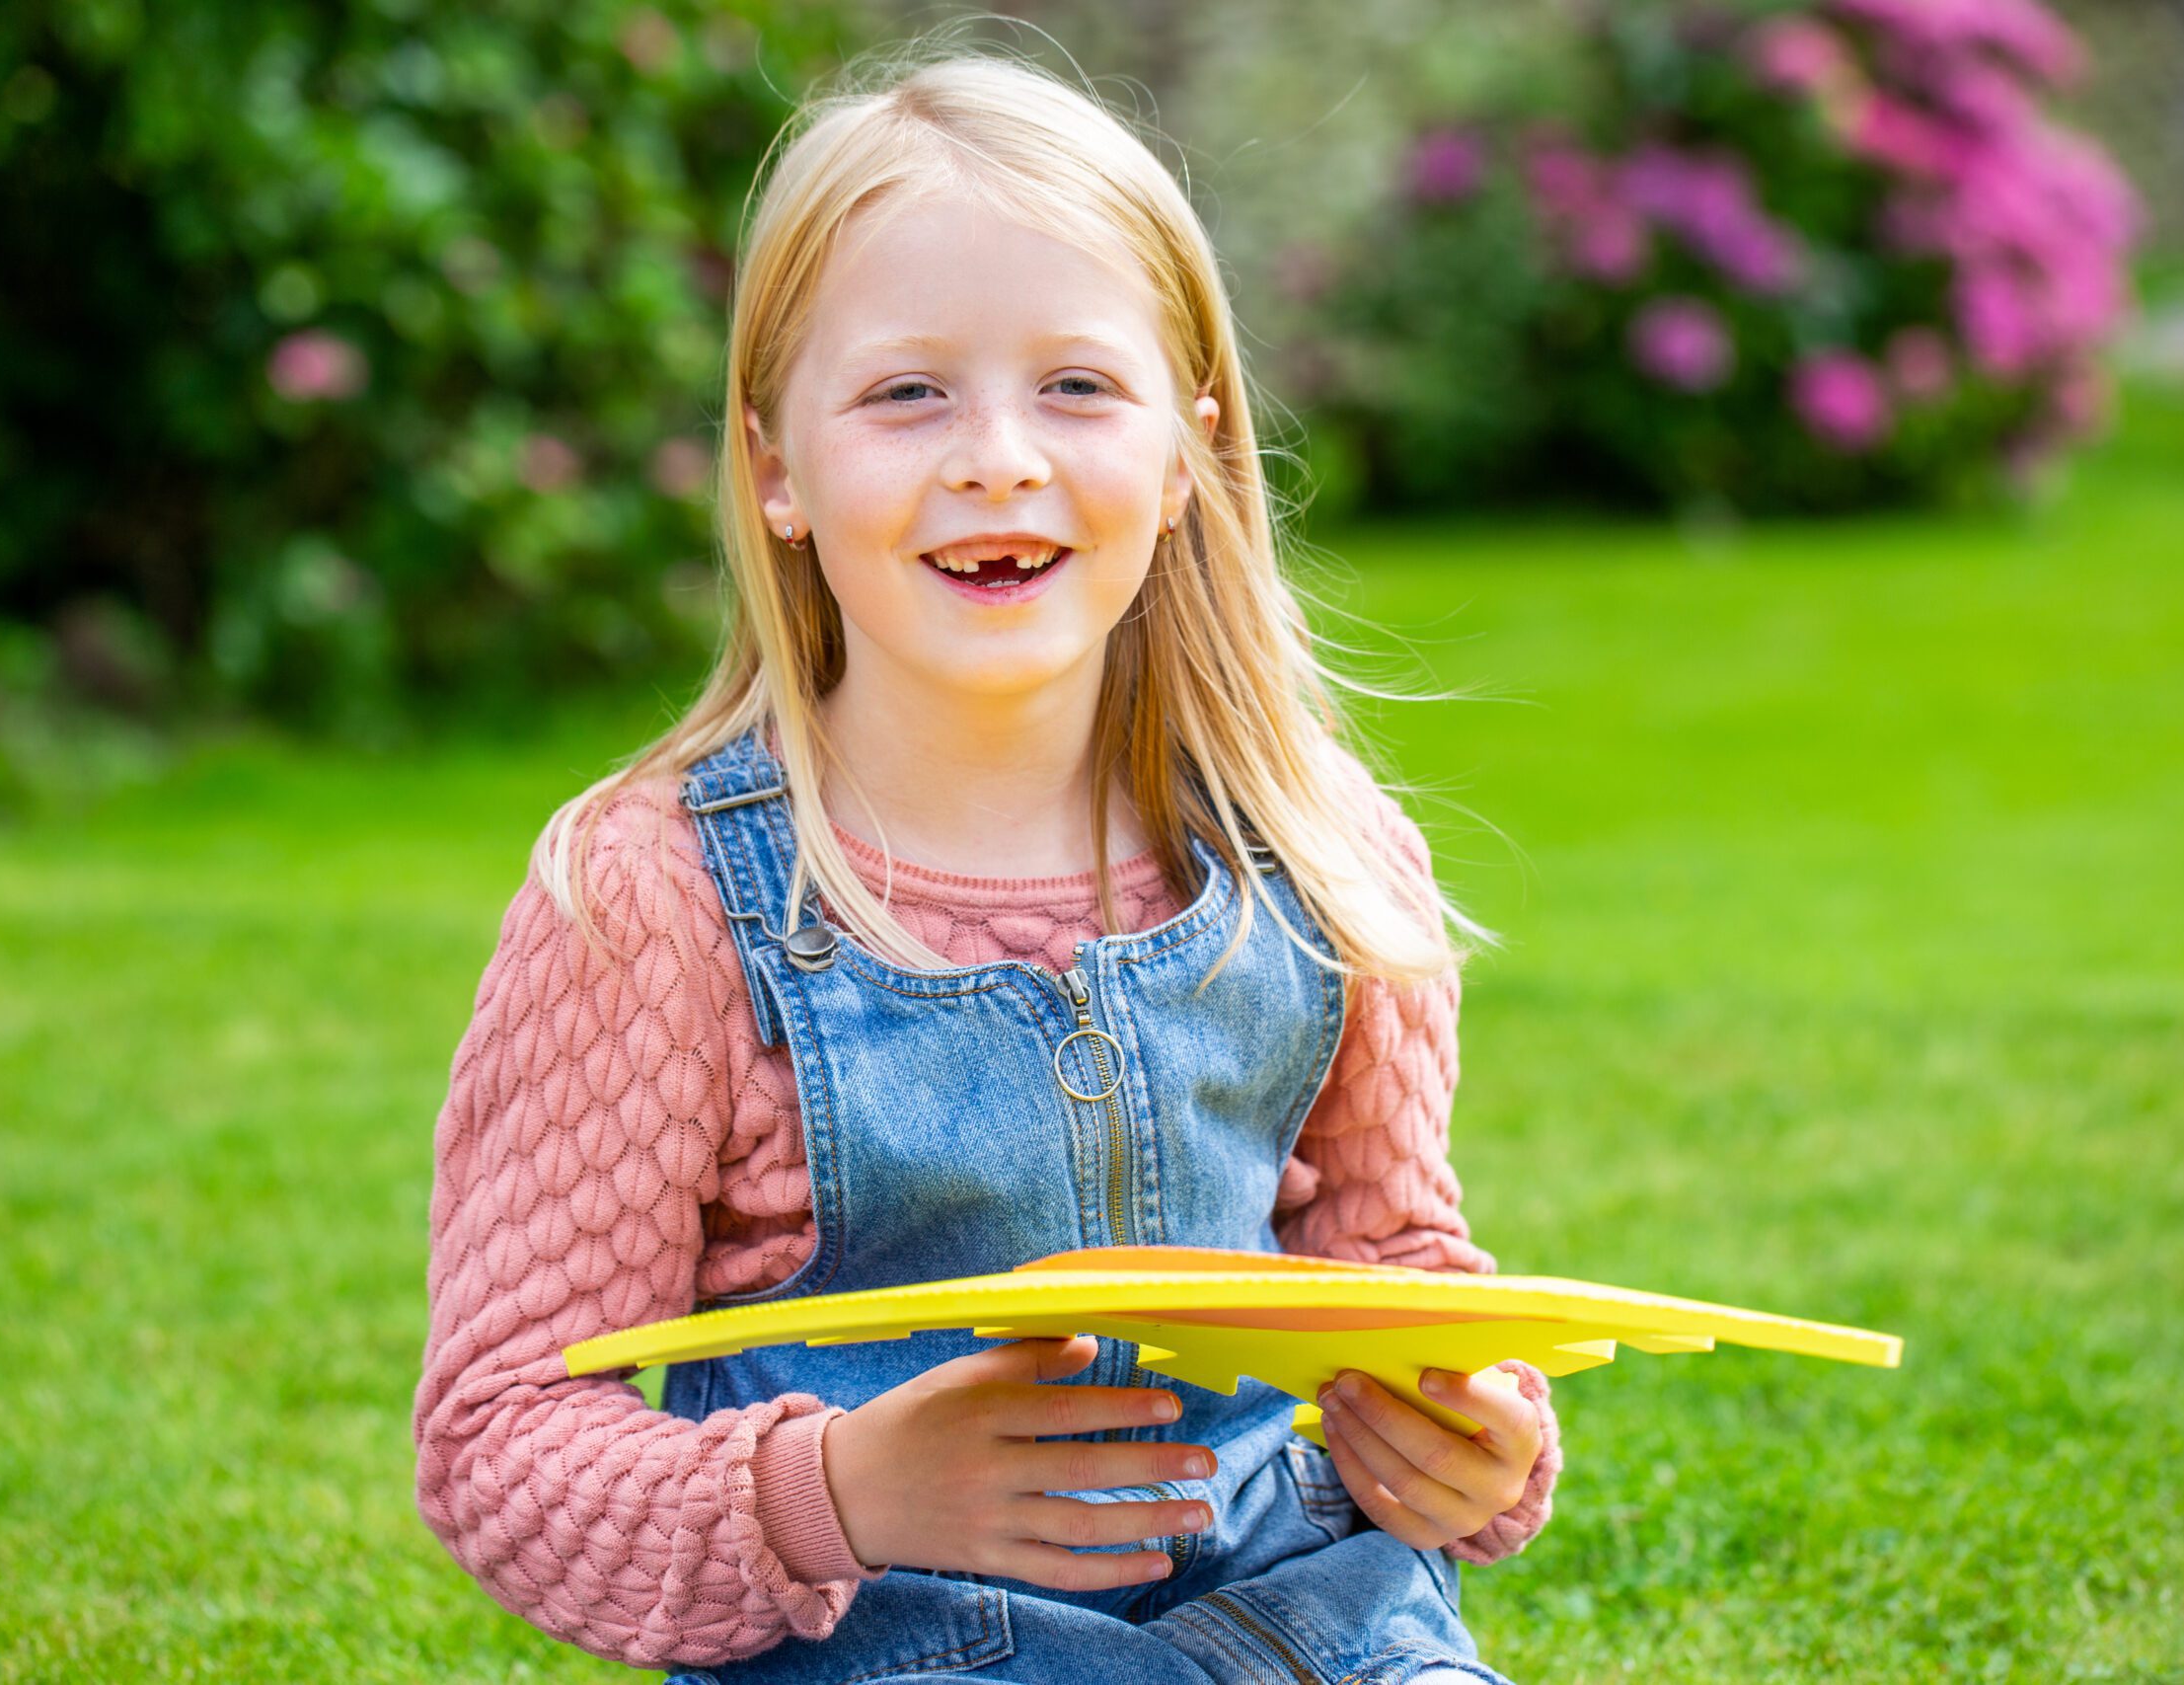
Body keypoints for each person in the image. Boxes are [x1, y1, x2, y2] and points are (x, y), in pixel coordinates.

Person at [414, 40, 1564, 1685]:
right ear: (775, 469)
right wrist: (842, 1496)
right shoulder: (653, 904)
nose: (999, 455)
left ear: (1186, 456)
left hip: (1313, 1635)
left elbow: (1402, 1279)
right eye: (908, 391)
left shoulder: (1321, 864)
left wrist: (1474, 1438)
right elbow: (501, 1438)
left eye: (1078, 387)